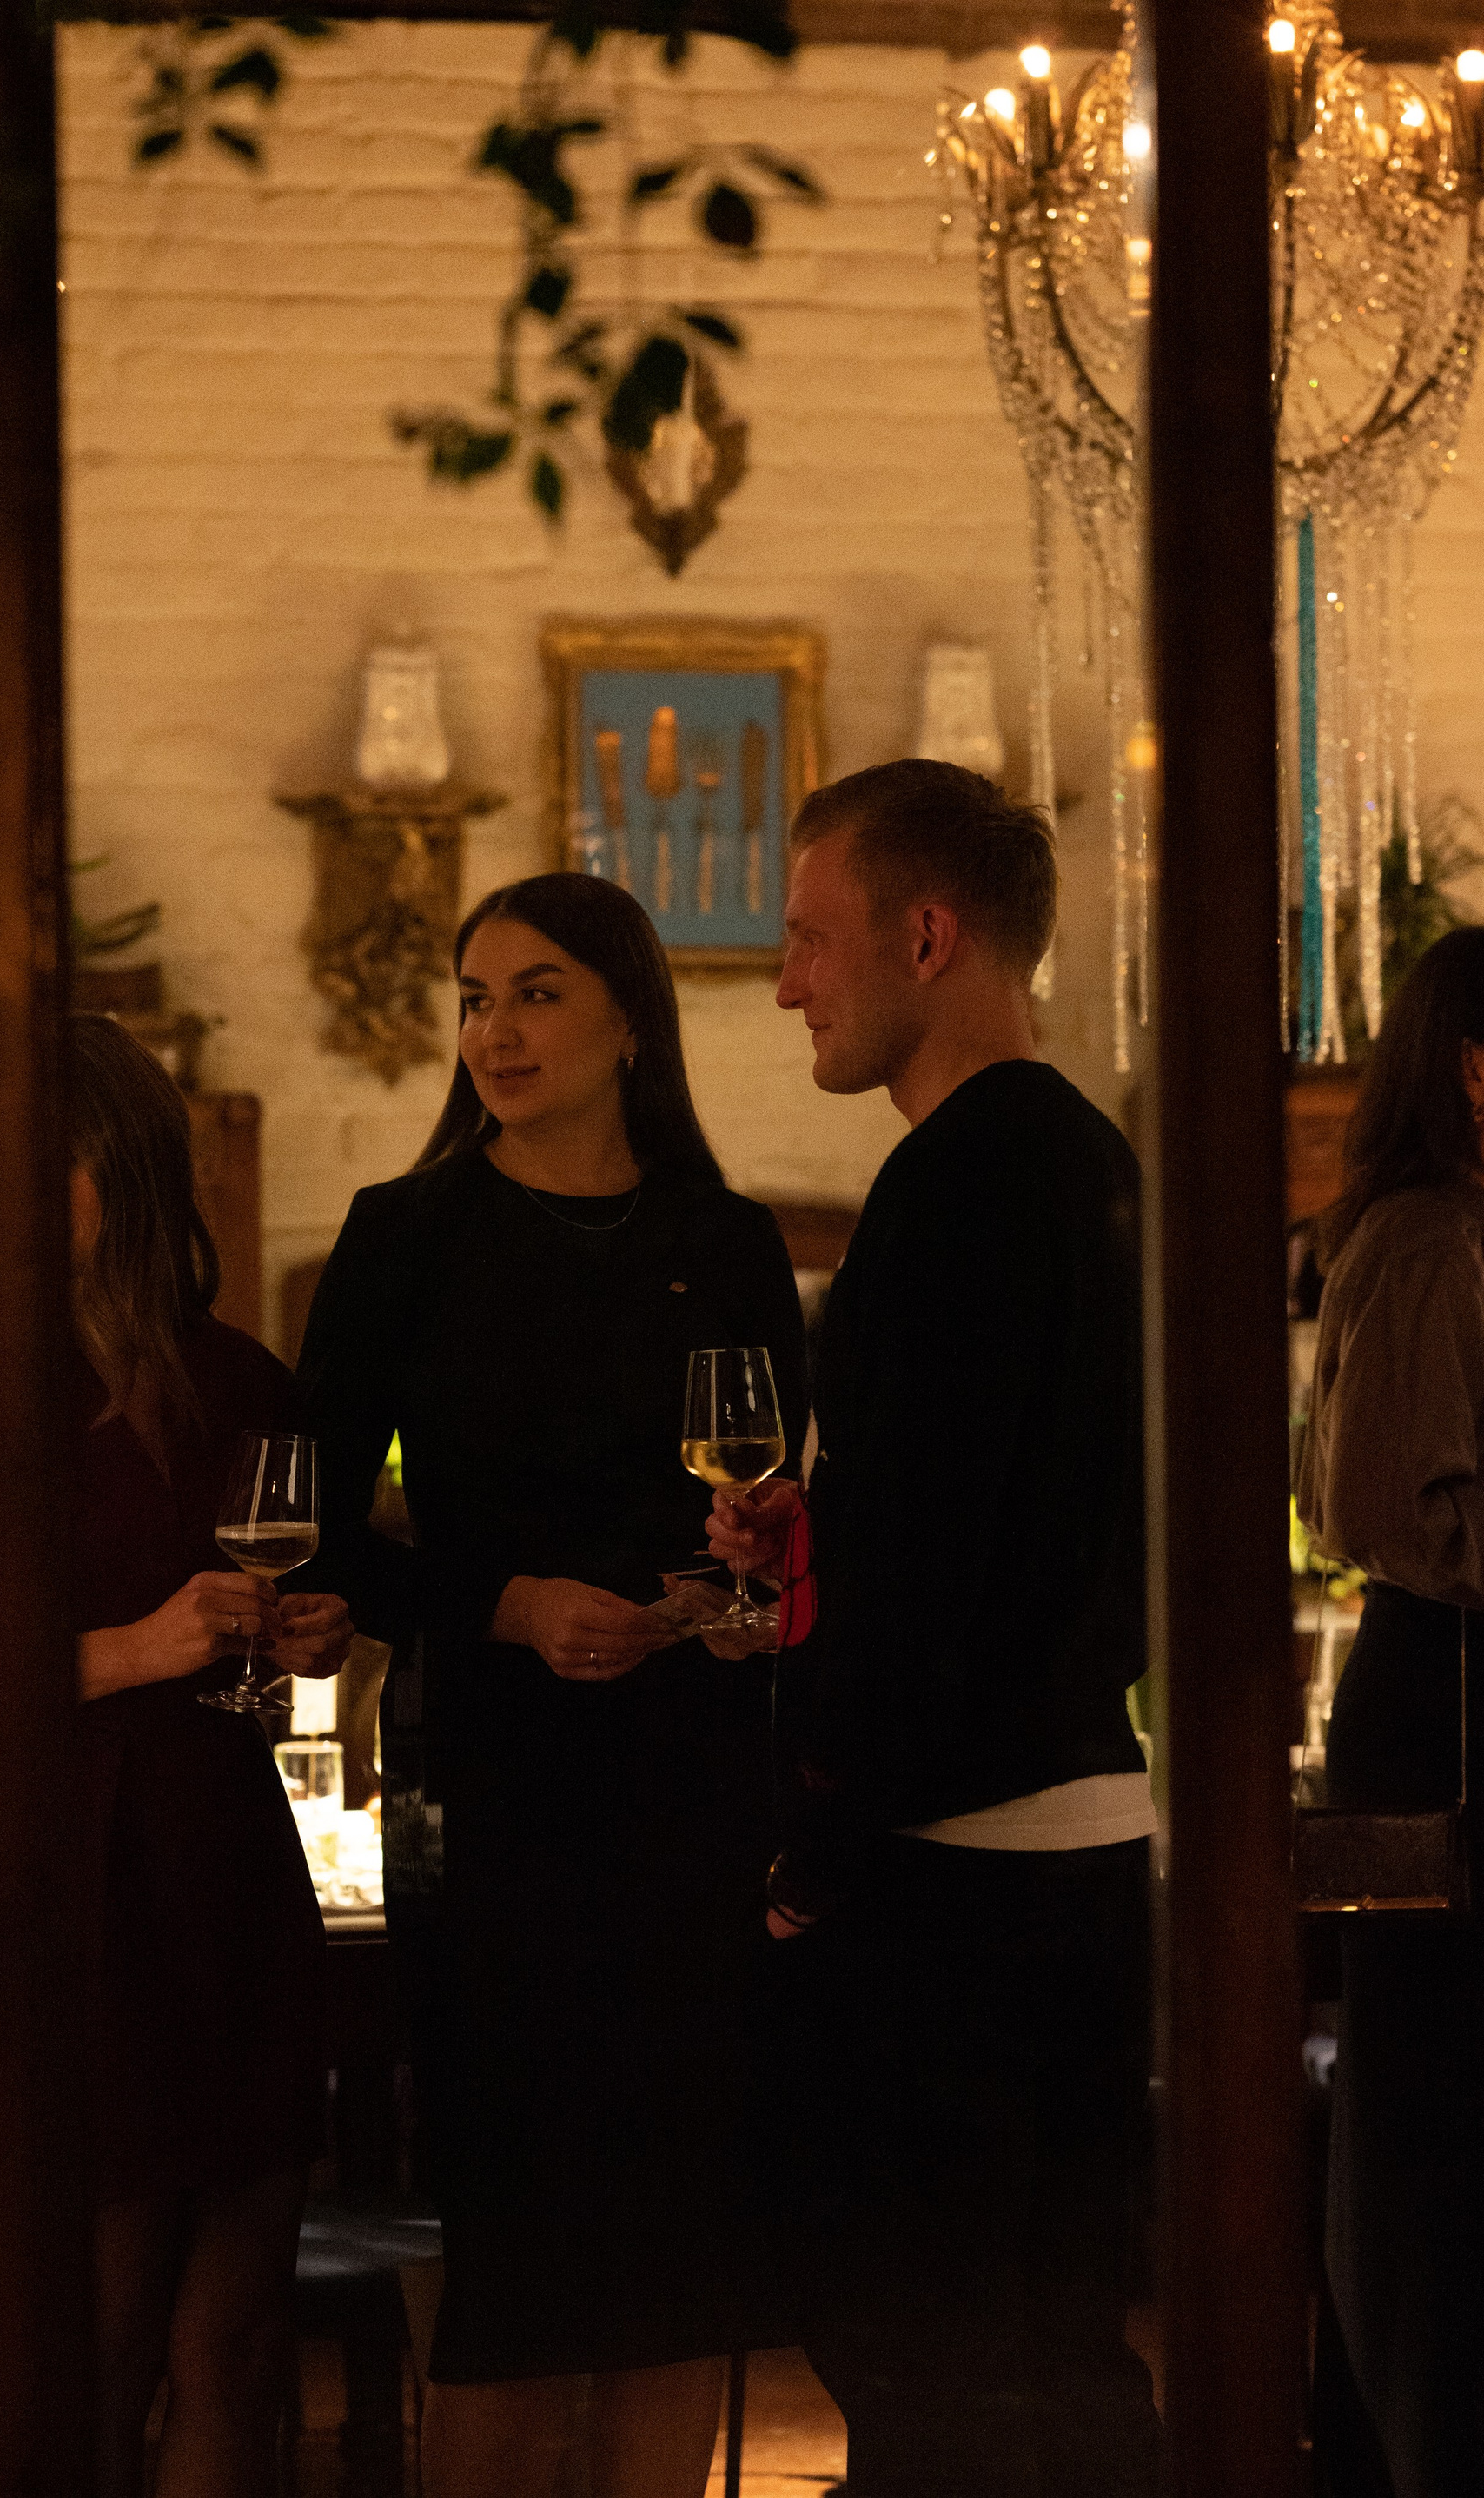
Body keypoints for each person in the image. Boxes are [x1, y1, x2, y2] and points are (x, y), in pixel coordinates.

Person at [295, 872, 807, 2498]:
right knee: (512, 2274)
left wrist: (732, 1599)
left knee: (674, 2266)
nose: (494, 1032)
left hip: (692, 1789)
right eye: (474, 997)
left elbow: (776, 1534)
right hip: (497, 1792)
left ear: (629, 1019)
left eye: (535, 993)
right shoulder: (406, 1237)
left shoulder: (726, 1243)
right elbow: (311, 1535)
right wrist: (509, 1606)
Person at [708, 759, 1166, 2498]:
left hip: (957, 1871)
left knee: (927, 2373)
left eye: (809, 939)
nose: (786, 984)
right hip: (1094, 1839)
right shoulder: (1098, 1165)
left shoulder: (952, 1186)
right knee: (1062, 2355)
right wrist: (820, 1529)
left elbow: (935, 1582)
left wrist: (812, 1851)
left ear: (926, 935)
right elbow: (1040, 1508)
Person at [67, 1013, 354, 2498]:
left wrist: (309, 1635)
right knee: (97, 2350)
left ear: (123, 1165)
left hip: (226, 1878)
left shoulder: (237, 1382)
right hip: (70, 1890)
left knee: (235, 2345)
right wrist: (137, 1647)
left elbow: (287, 1619)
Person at [1296, 928, 1484, 2498]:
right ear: (1477, 1071)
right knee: (1436, 2122)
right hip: (1447, 1702)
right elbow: (1378, 1504)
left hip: (1443, 1684)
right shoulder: (1433, 1243)